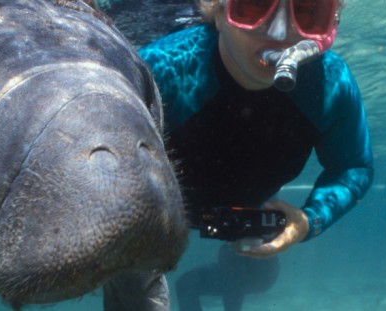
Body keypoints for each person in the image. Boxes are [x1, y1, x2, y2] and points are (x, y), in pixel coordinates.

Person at [135, 0, 373, 309]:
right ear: (219, 13)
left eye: (307, 12)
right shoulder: (158, 70)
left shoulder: (331, 85)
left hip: (239, 214)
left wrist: (308, 221)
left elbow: (354, 167)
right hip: (154, 216)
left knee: (251, 278)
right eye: (254, 5)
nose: (281, 33)